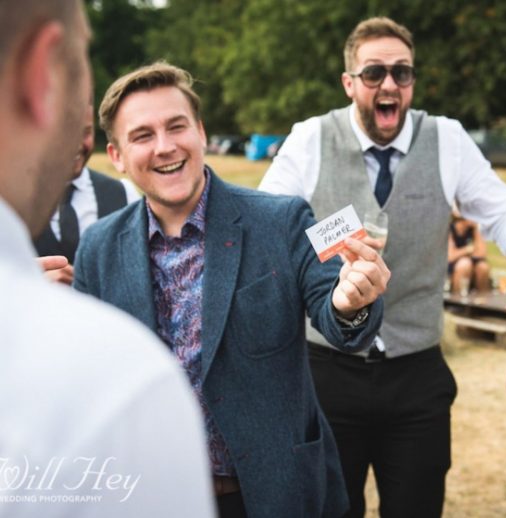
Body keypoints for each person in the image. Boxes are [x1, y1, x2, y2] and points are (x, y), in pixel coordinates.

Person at [259, 16, 506, 518]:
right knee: (328, 507)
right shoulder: (312, 138)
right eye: (374, 72)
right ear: (349, 82)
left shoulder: (446, 138)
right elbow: (268, 225)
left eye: (402, 73)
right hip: (325, 371)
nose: (389, 85)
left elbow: (503, 209)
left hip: (417, 374)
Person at [73, 61, 390, 518]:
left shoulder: (282, 221)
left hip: (273, 493)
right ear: (117, 156)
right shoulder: (98, 249)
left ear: (201, 132)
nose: (165, 147)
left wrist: (349, 302)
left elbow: (339, 317)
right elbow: (91, 380)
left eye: (176, 126)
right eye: (142, 136)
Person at [0, 1, 214, 516]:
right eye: (85, 54)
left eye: (176, 127)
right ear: (42, 74)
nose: (163, 148)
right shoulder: (124, 388)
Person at [34, 98, 139, 285]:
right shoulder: (8, 200)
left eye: (85, 132)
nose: (76, 144)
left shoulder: (125, 194)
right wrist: (29, 283)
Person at [448, 209, 490, 294]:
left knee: (483, 267)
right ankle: (458, 300)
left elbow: (482, 253)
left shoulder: (474, 229)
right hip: (455, 264)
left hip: (472, 262)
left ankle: (483, 301)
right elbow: (450, 256)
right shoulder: (450, 230)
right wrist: (468, 250)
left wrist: (476, 229)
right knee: (464, 264)